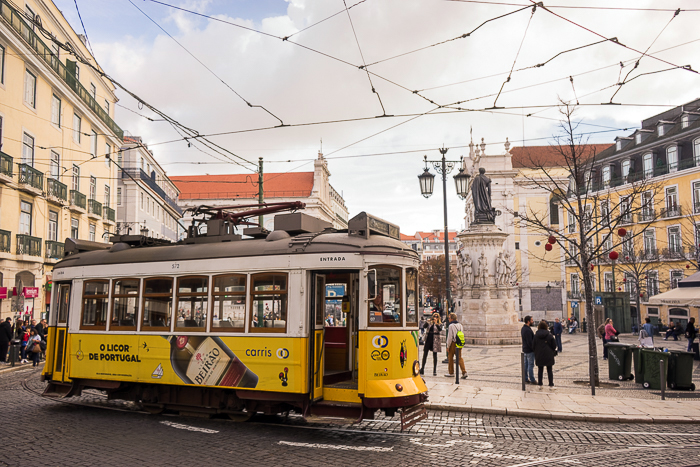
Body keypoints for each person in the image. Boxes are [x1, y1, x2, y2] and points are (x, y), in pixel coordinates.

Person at [533, 320, 557, 386]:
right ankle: (551, 383)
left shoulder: (536, 336)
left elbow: (533, 345)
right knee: (549, 370)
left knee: (540, 370)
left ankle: (540, 383)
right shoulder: (549, 335)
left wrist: (536, 351)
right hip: (548, 354)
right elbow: (554, 345)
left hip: (539, 354)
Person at [445, 313, 467, 379]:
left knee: (450, 357)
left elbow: (450, 337)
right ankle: (464, 372)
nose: (448, 319)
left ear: (452, 318)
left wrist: (448, 346)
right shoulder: (460, 325)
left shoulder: (451, 326)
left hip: (453, 343)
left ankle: (451, 372)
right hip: (459, 343)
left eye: (449, 318)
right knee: (459, 357)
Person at [521, 316, 536, 385]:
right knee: (530, 365)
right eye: (532, 320)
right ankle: (532, 379)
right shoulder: (527, 330)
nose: (533, 321)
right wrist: (533, 349)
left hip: (525, 349)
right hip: (529, 350)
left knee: (526, 365)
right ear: (528, 321)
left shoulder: (523, 328)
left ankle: (525, 379)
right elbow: (530, 342)